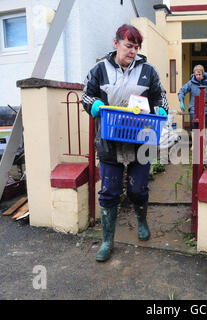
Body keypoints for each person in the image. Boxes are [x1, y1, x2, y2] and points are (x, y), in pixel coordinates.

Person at [82, 24, 169, 262]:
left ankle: (142, 220)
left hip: (141, 140)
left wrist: (161, 108)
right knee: (109, 192)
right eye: (128, 46)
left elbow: (160, 96)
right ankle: (107, 241)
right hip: (109, 142)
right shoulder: (99, 69)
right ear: (116, 43)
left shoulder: (148, 70)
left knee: (137, 189)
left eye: (136, 47)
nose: (132, 51)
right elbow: (86, 95)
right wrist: (94, 106)